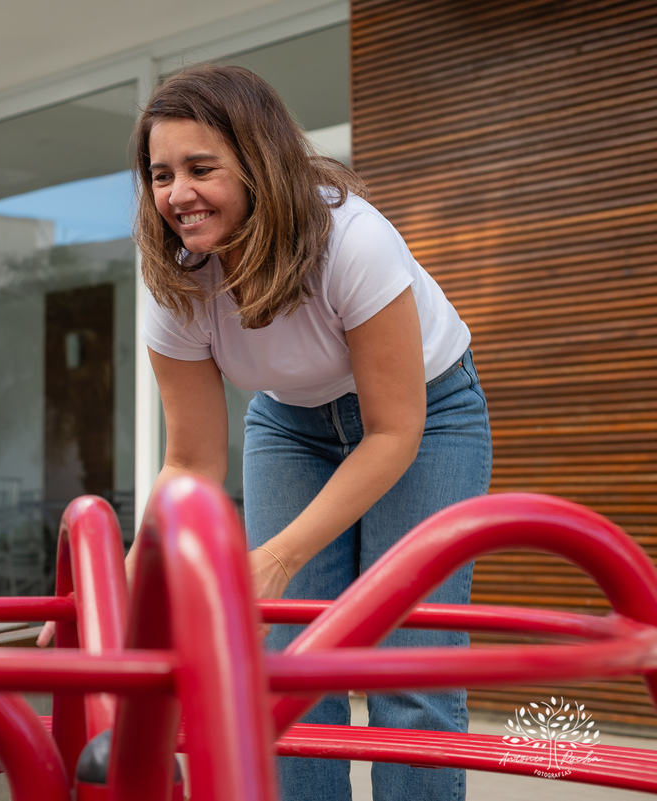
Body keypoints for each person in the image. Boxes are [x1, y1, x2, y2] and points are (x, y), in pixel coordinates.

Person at [133, 64, 491, 800]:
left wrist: (279, 555)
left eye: (200, 168)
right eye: (161, 175)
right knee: (285, 665)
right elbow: (190, 460)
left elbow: (393, 431)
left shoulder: (351, 238)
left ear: (258, 161)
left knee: (409, 664)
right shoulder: (177, 279)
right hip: (290, 422)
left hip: (427, 415)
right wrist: (136, 567)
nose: (177, 194)